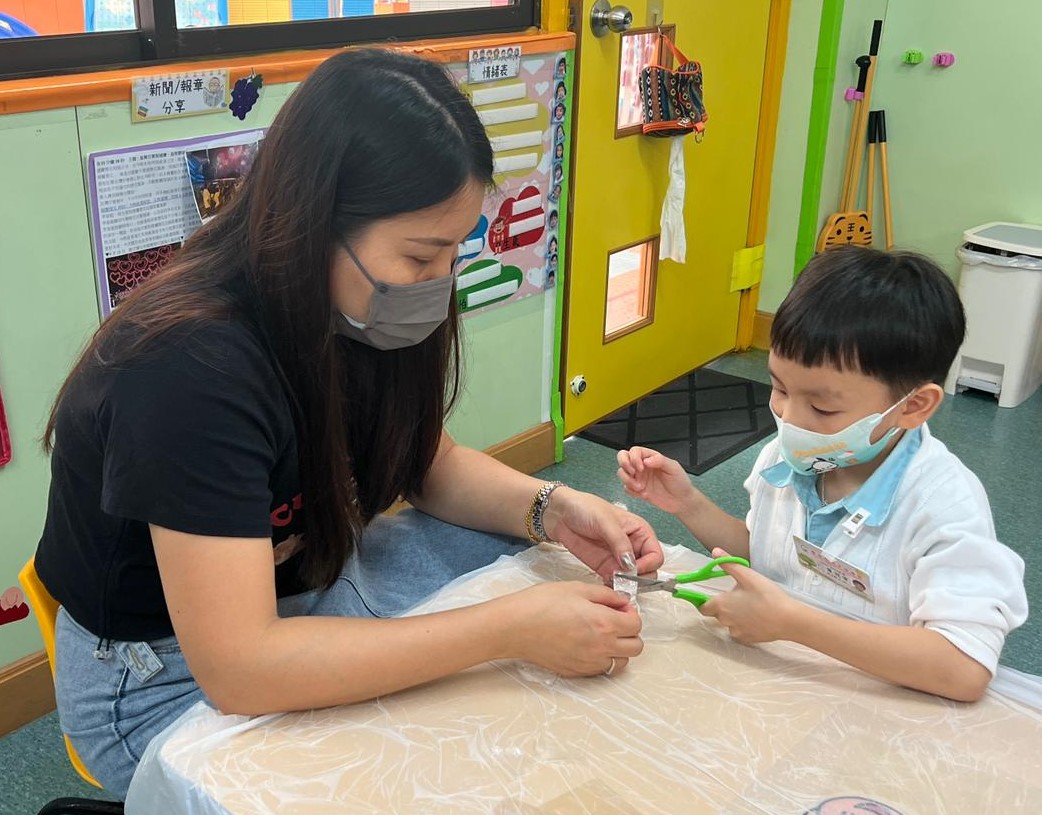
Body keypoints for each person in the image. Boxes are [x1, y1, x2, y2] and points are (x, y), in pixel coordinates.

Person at [37, 49, 662, 799]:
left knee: (518, 579)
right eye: (421, 256)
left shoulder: (358, 303)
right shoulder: (188, 367)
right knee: (428, 754)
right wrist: (507, 630)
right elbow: (240, 668)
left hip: (304, 583)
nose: (439, 283)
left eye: (455, 251)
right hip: (161, 673)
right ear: (316, 223)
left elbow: (427, 462)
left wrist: (552, 508)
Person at [617, 246, 1027, 703]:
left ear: (913, 406)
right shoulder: (788, 456)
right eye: (779, 387)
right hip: (786, 689)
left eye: (823, 407)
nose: (789, 418)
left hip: (880, 706)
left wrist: (792, 623)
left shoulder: (944, 505)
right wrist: (689, 504)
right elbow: (770, 556)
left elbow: (964, 668)